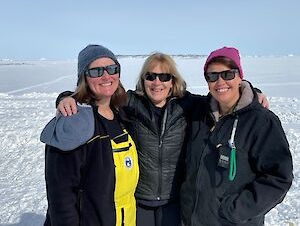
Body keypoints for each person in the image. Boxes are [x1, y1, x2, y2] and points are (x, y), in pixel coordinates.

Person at [57, 51, 269, 226]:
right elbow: (100, 93)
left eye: (164, 77)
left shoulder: (187, 105)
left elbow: (223, 94)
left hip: (173, 203)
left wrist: (253, 92)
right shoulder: (129, 103)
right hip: (140, 203)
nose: (157, 82)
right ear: (143, 80)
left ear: (172, 81)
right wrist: (67, 97)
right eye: (151, 76)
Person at [180, 47, 293, 226]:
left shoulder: (261, 121)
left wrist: (235, 211)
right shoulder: (198, 112)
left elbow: (278, 177)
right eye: (212, 76)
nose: (220, 82)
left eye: (228, 74)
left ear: (239, 76)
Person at [40, 44, 139, 226]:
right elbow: (61, 197)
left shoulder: (121, 115)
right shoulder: (73, 123)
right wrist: (67, 99)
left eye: (112, 69)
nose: (106, 76)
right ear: (84, 77)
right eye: (96, 71)